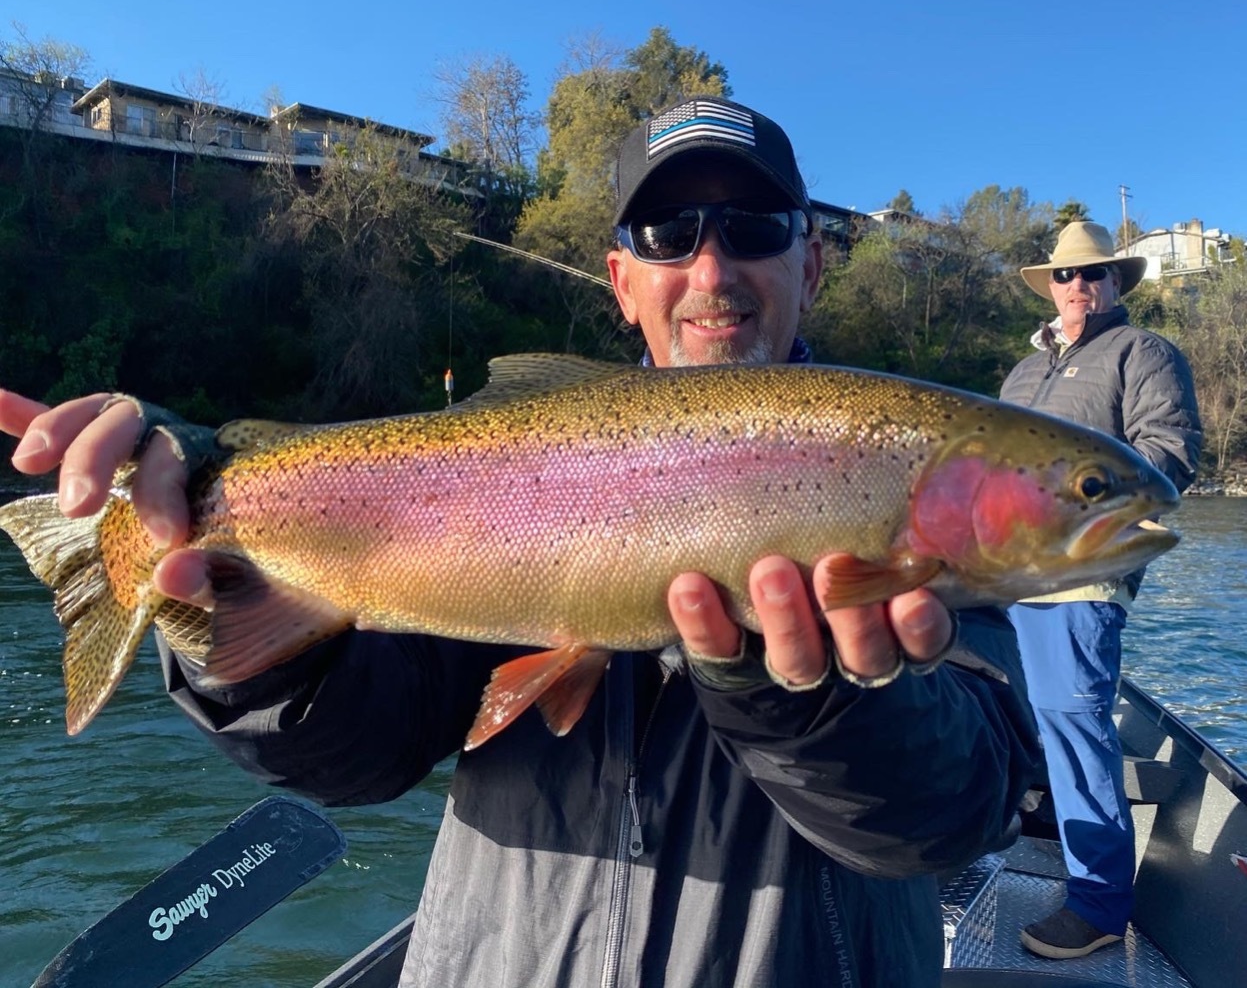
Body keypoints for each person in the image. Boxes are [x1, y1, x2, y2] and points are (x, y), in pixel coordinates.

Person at [1, 96, 1039, 988]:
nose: (711, 266)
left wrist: (796, 695)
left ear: (810, 262)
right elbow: (361, 749)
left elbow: (956, 811)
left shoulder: (903, 480)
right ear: (620, 281)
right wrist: (207, 558)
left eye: (754, 225)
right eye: (668, 233)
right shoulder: (503, 472)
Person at [1000, 220, 1202, 961]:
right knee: (998, 713)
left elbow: (1169, 453)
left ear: (1116, 283)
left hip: (1082, 577)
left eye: (1094, 274)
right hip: (1002, 574)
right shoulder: (1020, 376)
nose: (1078, 285)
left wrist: (1067, 509)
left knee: (1076, 728)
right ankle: (1022, 830)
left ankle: (1096, 907)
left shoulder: (1143, 352)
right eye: (1064, 275)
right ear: (1048, 285)